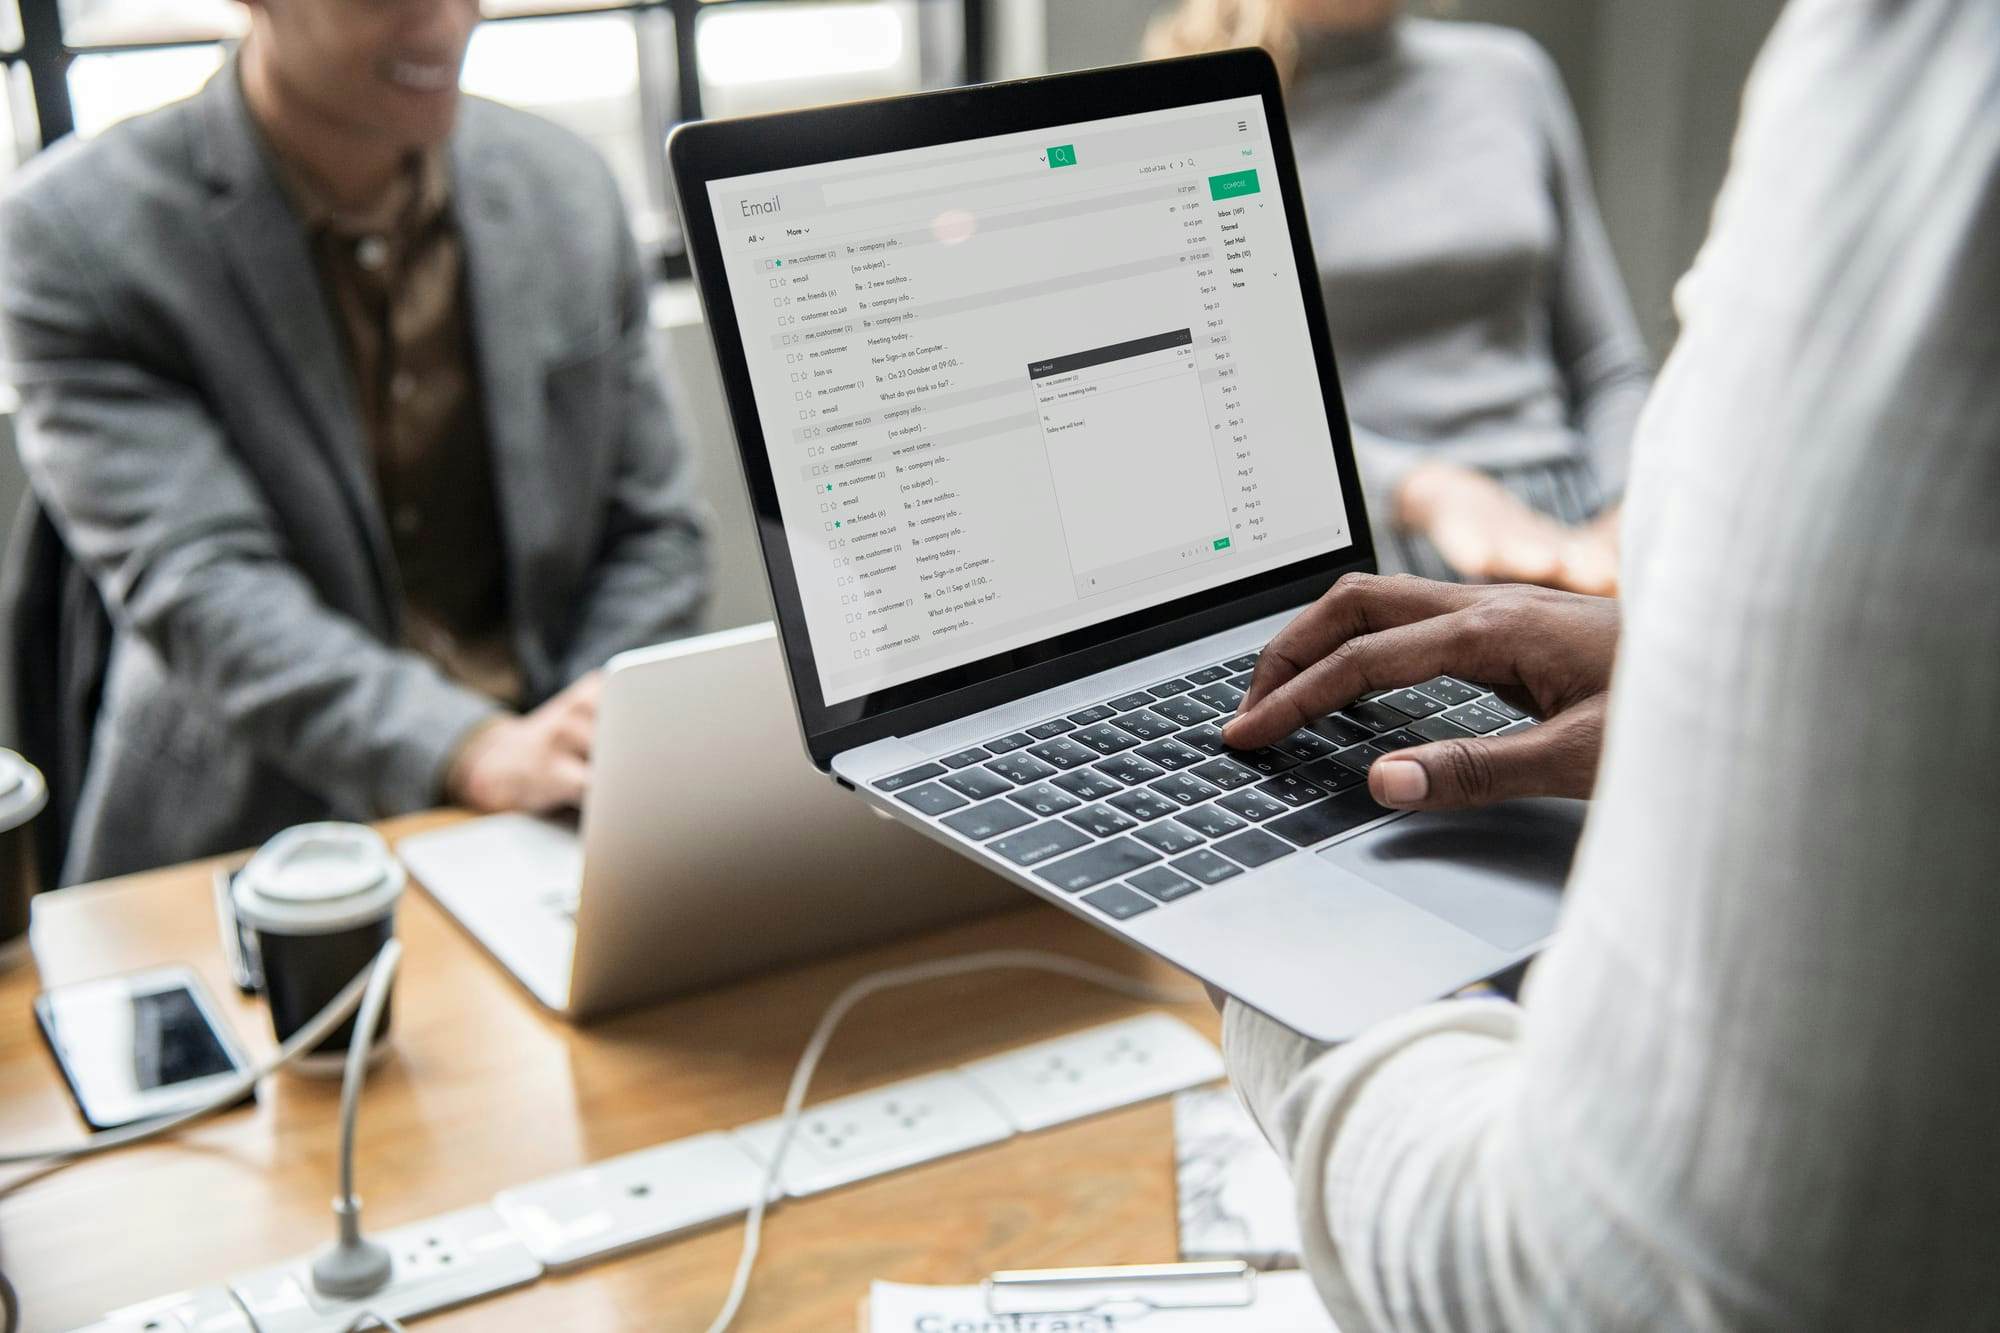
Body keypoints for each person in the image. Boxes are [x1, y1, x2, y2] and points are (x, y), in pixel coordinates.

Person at [1213, 0, 2000, 1326]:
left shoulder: (1929, 96)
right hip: (1415, 541)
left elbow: (1611, 1286)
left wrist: (1262, 964)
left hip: (1591, 530)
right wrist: (1675, 660)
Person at [0, 0, 707, 884]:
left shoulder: (565, 186)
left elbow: (654, 528)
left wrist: (593, 729)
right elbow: (204, 583)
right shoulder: (79, 238)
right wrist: (472, 749)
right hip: (252, 839)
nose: (443, 23)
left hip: (557, 808)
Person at [1146, 0, 1649, 594]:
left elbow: (1609, 365)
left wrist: (1628, 520)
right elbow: (1229, 406)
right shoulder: (1202, 107)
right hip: (1373, 549)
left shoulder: (1512, 75)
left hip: (1575, 530)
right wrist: (1421, 492)